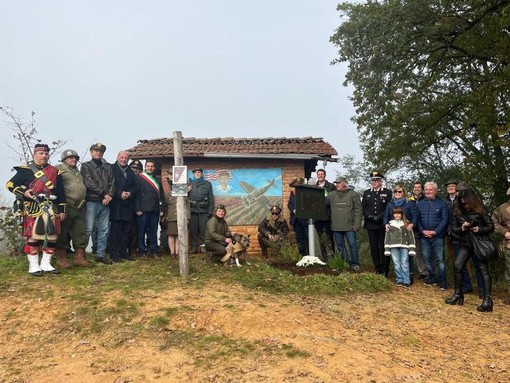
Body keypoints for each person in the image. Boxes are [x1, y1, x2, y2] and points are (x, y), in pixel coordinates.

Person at [6, 143, 66, 276]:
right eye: (41, 153)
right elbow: (10, 184)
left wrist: (62, 210)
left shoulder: (55, 171)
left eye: (46, 154)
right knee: (33, 236)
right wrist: (25, 192)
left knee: (52, 236)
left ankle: (46, 263)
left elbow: (61, 193)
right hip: (33, 206)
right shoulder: (25, 170)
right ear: (35, 154)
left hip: (51, 207)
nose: (44, 156)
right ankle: (33, 265)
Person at [446, 189, 495, 312]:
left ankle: (487, 300)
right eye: (462, 203)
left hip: (479, 243)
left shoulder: (481, 210)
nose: (465, 205)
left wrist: (479, 229)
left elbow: (490, 227)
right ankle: (458, 294)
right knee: (457, 265)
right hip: (466, 244)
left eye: (466, 203)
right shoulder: (457, 211)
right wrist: (462, 228)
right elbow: (453, 229)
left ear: (471, 201)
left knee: (483, 270)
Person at [55, 149, 92, 268]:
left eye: (75, 158)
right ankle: (62, 258)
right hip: (67, 205)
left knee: (80, 232)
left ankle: (79, 258)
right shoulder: (58, 169)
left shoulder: (77, 171)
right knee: (63, 232)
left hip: (80, 206)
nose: (74, 159)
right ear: (64, 159)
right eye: (71, 158)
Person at [81, 142, 115, 264]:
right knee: (88, 229)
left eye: (100, 151)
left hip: (106, 202)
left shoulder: (108, 167)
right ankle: (81, 255)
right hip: (92, 201)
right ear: (91, 152)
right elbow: (89, 183)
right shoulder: (86, 166)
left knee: (104, 229)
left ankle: (100, 255)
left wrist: (110, 195)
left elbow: (112, 182)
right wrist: (104, 194)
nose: (98, 153)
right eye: (95, 151)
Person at [416, 181, 449, 290]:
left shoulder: (442, 203)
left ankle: (442, 280)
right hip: (424, 236)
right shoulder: (420, 204)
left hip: (438, 236)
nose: (427, 192)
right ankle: (432, 277)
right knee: (426, 257)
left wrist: (435, 232)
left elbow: (445, 220)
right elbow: (417, 219)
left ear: (435, 190)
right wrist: (422, 231)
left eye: (430, 190)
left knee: (440, 259)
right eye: (426, 190)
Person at [444, 179, 474, 294]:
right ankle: (463, 285)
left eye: (453, 186)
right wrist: (450, 231)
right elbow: (447, 219)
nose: (451, 188)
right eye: (449, 186)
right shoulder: (445, 201)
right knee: (456, 260)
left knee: (469, 261)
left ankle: (473, 285)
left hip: (467, 234)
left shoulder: (465, 202)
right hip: (452, 234)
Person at [383, 184, 418, 283]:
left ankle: (408, 278)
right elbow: (386, 216)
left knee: (407, 259)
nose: (397, 193)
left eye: (400, 191)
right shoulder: (390, 204)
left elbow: (415, 215)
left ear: (404, 193)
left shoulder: (409, 203)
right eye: (396, 191)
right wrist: (386, 224)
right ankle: (399, 278)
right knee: (397, 261)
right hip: (393, 231)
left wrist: (412, 224)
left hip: (406, 230)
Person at [326, 176, 362, 270]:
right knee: (340, 246)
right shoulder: (331, 195)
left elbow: (358, 210)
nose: (337, 185)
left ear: (344, 183)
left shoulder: (353, 194)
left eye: (339, 183)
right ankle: (345, 263)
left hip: (350, 226)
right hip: (336, 226)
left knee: (352, 245)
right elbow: (322, 203)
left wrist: (357, 225)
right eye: (336, 183)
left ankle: (355, 263)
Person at [108, 150, 138, 262]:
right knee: (115, 230)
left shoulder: (131, 172)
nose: (124, 159)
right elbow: (109, 184)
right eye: (122, 157)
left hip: (127, 205)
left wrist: (130, 193)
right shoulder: (111, 168)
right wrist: (119, 193)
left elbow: (135, 187)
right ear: (117, 157)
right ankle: (113, 253)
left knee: (126, 231)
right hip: (115, 204)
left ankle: (123, 251)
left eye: (126, 158)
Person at [362, 171, 392, 276]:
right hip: (371, 224)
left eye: (376, 180)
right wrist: (370, 217)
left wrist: (380, 217)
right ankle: (377, 268)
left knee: (383, 247)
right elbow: (364, 208)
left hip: (382, 224)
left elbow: (388, 207)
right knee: (373, 247)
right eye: (373, 180)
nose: (374, 182)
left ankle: (385, 269)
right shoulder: (367, 193)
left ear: (381, 181)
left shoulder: (387, 192)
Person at [135, 160, 164, 259]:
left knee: (153, 231)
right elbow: (136, 195)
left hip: (154, 209)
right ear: (145, 167)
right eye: (148, 166)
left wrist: (162, 209)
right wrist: (137, 208)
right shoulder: (139, 178)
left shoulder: (157, 178)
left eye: (152, 166)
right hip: (143, 209)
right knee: (141, 231)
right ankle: (142, 251)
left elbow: (161, 195)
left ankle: (154, 250)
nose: (150, 168)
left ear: (154, 168)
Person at [161, 170, 190, 259]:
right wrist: (163, 215)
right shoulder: (167, 192)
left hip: (180, 216)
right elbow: (165, 203)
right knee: (171, 234)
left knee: (178, 234)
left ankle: (177, 252)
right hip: (171, 216)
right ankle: (172, 252)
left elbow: (187, 205)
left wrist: (188, 218)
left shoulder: (183, 193)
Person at [384, 207, 416, 287]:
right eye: (395, 213)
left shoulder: (406, 223)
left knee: (404, 262)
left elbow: (411, 236)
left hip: (404, 246)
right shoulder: (390, 224)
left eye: (398, 213)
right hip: (393, 246)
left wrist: (411, 248)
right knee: (396, 263)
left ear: (402, 214)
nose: (397, 215)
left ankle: (406, 280)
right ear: (393, 215)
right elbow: (387, 237)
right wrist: (387, 248)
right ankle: (399, 279)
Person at [188, 167, 214, 254]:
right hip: (192, 210)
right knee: (193, 229)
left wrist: (210, 212)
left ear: (202, 174)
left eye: (199, 172)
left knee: (203, 230)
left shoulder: (207, 184)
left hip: (204, 211)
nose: (197, 174)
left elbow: (211, 198)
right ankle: (194, 247)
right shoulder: (189, 184)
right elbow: (184, 197)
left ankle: (203, 246)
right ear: (194, 174)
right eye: (196, 172)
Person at [492, 186, 510, 305]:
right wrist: (505, 232)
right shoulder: (503, 208)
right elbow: (494, 222)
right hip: (509, 244)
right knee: (509, 271)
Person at [313, 169, 336, 259]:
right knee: (321, 238)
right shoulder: (314, 186)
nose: (320, 176)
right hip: (318, 217)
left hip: (328, 216)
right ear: (317, 175)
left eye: (322, 174)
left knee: (329, 237)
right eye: (319, 174)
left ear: (325, 175)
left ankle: (332, 258)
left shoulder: (331, 186)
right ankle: (324, 258)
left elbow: (333, 201)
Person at [407, 181, 428, 280]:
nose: (417, 189)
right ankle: (422, 271)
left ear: (422, 189)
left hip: (425, 228)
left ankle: (431, 272)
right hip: (414, 229)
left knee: (427, 251)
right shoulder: (409, 200)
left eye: (419, 187)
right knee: (418, 251)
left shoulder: (426, 199)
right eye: (415, 187)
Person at [287, 177, 308, 257]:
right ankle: (301, 255)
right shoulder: (292, 193)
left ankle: (308, 254)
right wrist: (294, 210)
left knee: (306, 237)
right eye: (296, 186)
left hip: (304, 219)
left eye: (299, 186)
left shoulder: (305, 193)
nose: (297, 187)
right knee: (299, 238)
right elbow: (289, 204)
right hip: (296, 220)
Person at [128, 160, 143, 257]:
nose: (136, 170)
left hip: (141, 208)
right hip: (128, 207)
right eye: (133, 168)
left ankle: (134, 248)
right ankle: (127, 248)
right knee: (128, 229)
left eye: (138, 169)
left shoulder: (143, 179)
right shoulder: (127, 178)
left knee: (137, 230)